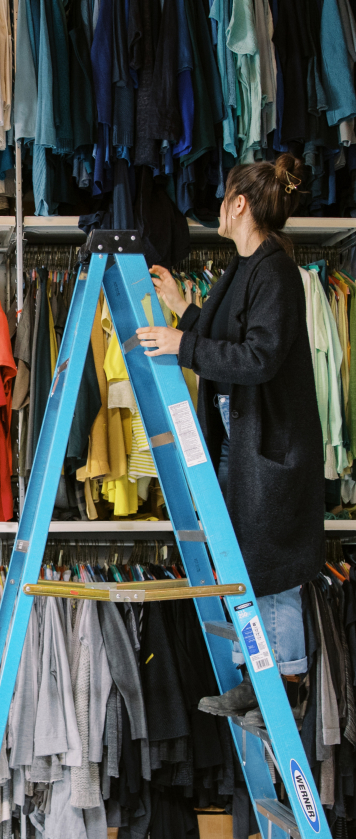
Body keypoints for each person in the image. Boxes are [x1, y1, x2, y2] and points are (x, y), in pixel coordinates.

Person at [136, 154, 325, 722]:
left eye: (222, 198)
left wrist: (180, 345)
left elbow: (260, 356)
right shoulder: (245, 266)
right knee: (242, 562)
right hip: (241, 442)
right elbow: (228, 335)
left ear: (239, 203)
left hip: (270, 447)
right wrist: (184, 311)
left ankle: (287, 681)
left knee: (273, 572)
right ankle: (255, 677)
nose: (217, 207)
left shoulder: (276, 271)